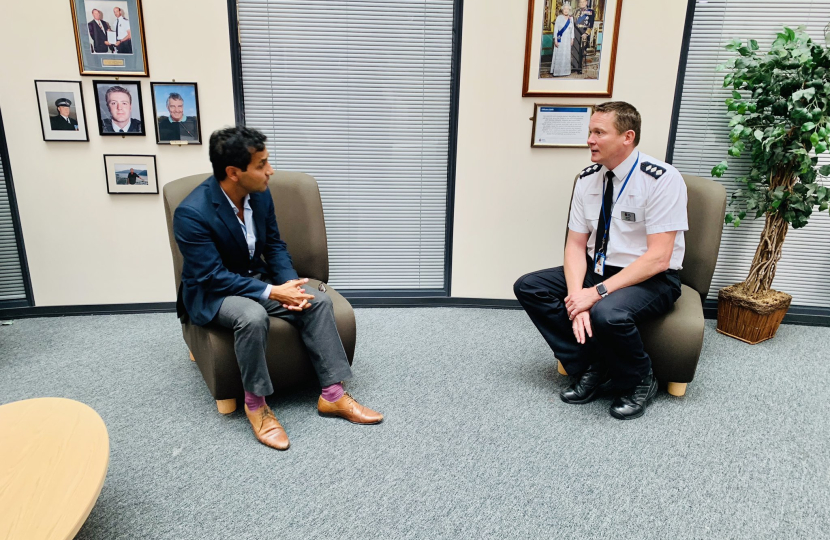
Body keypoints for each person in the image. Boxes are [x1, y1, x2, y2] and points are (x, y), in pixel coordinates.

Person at [173, 127, 383, 450]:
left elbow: (273, 245)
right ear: (233, 173)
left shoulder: (259, 193)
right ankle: (256, 406)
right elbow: (212, 276)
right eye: (261, 164)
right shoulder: (191, 213)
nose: (270, 171)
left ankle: (333, 395)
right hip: (211, 291)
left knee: (316, 302)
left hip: (253, 277)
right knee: (252, 316)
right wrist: (273, 293)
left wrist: (288, 284)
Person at [513, 102, 688, 420]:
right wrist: (576, 295)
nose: (589, 140)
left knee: (607, 313)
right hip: (598, 267)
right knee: (530, 287)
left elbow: (659, 257)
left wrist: (594, 295)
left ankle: (641, 379)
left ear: (627, 137)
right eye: (589, 132)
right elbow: (575, 245)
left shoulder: (662, 179)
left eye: (598, 132)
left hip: (652, 277)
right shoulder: (587, 178)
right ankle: (592, 366)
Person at [549, 4, 574, 77]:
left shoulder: (571, 19)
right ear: (562, 10)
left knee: (566, 55)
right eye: (564, 9)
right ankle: (557, 71)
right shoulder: (559, 18)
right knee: (559, 55)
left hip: (567, 39)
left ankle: (566, 71)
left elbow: (572, 30)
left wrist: (572, 39)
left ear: (569, 10)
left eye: (567, 9)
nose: (566, 10)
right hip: (560, 38)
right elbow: (556, 29)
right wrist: (555, 40)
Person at [571, 0, 595, 75]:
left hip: (583, 32)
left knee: (581, 51)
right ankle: (574, 67)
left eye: (583, 2)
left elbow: (591, 24)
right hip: (575, 31)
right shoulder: (576, 11)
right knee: (574, 50)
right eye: (580, 2)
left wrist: (586, 33)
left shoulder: (590, 11)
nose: (581, 4)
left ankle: (579, 68)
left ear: (586, 3)